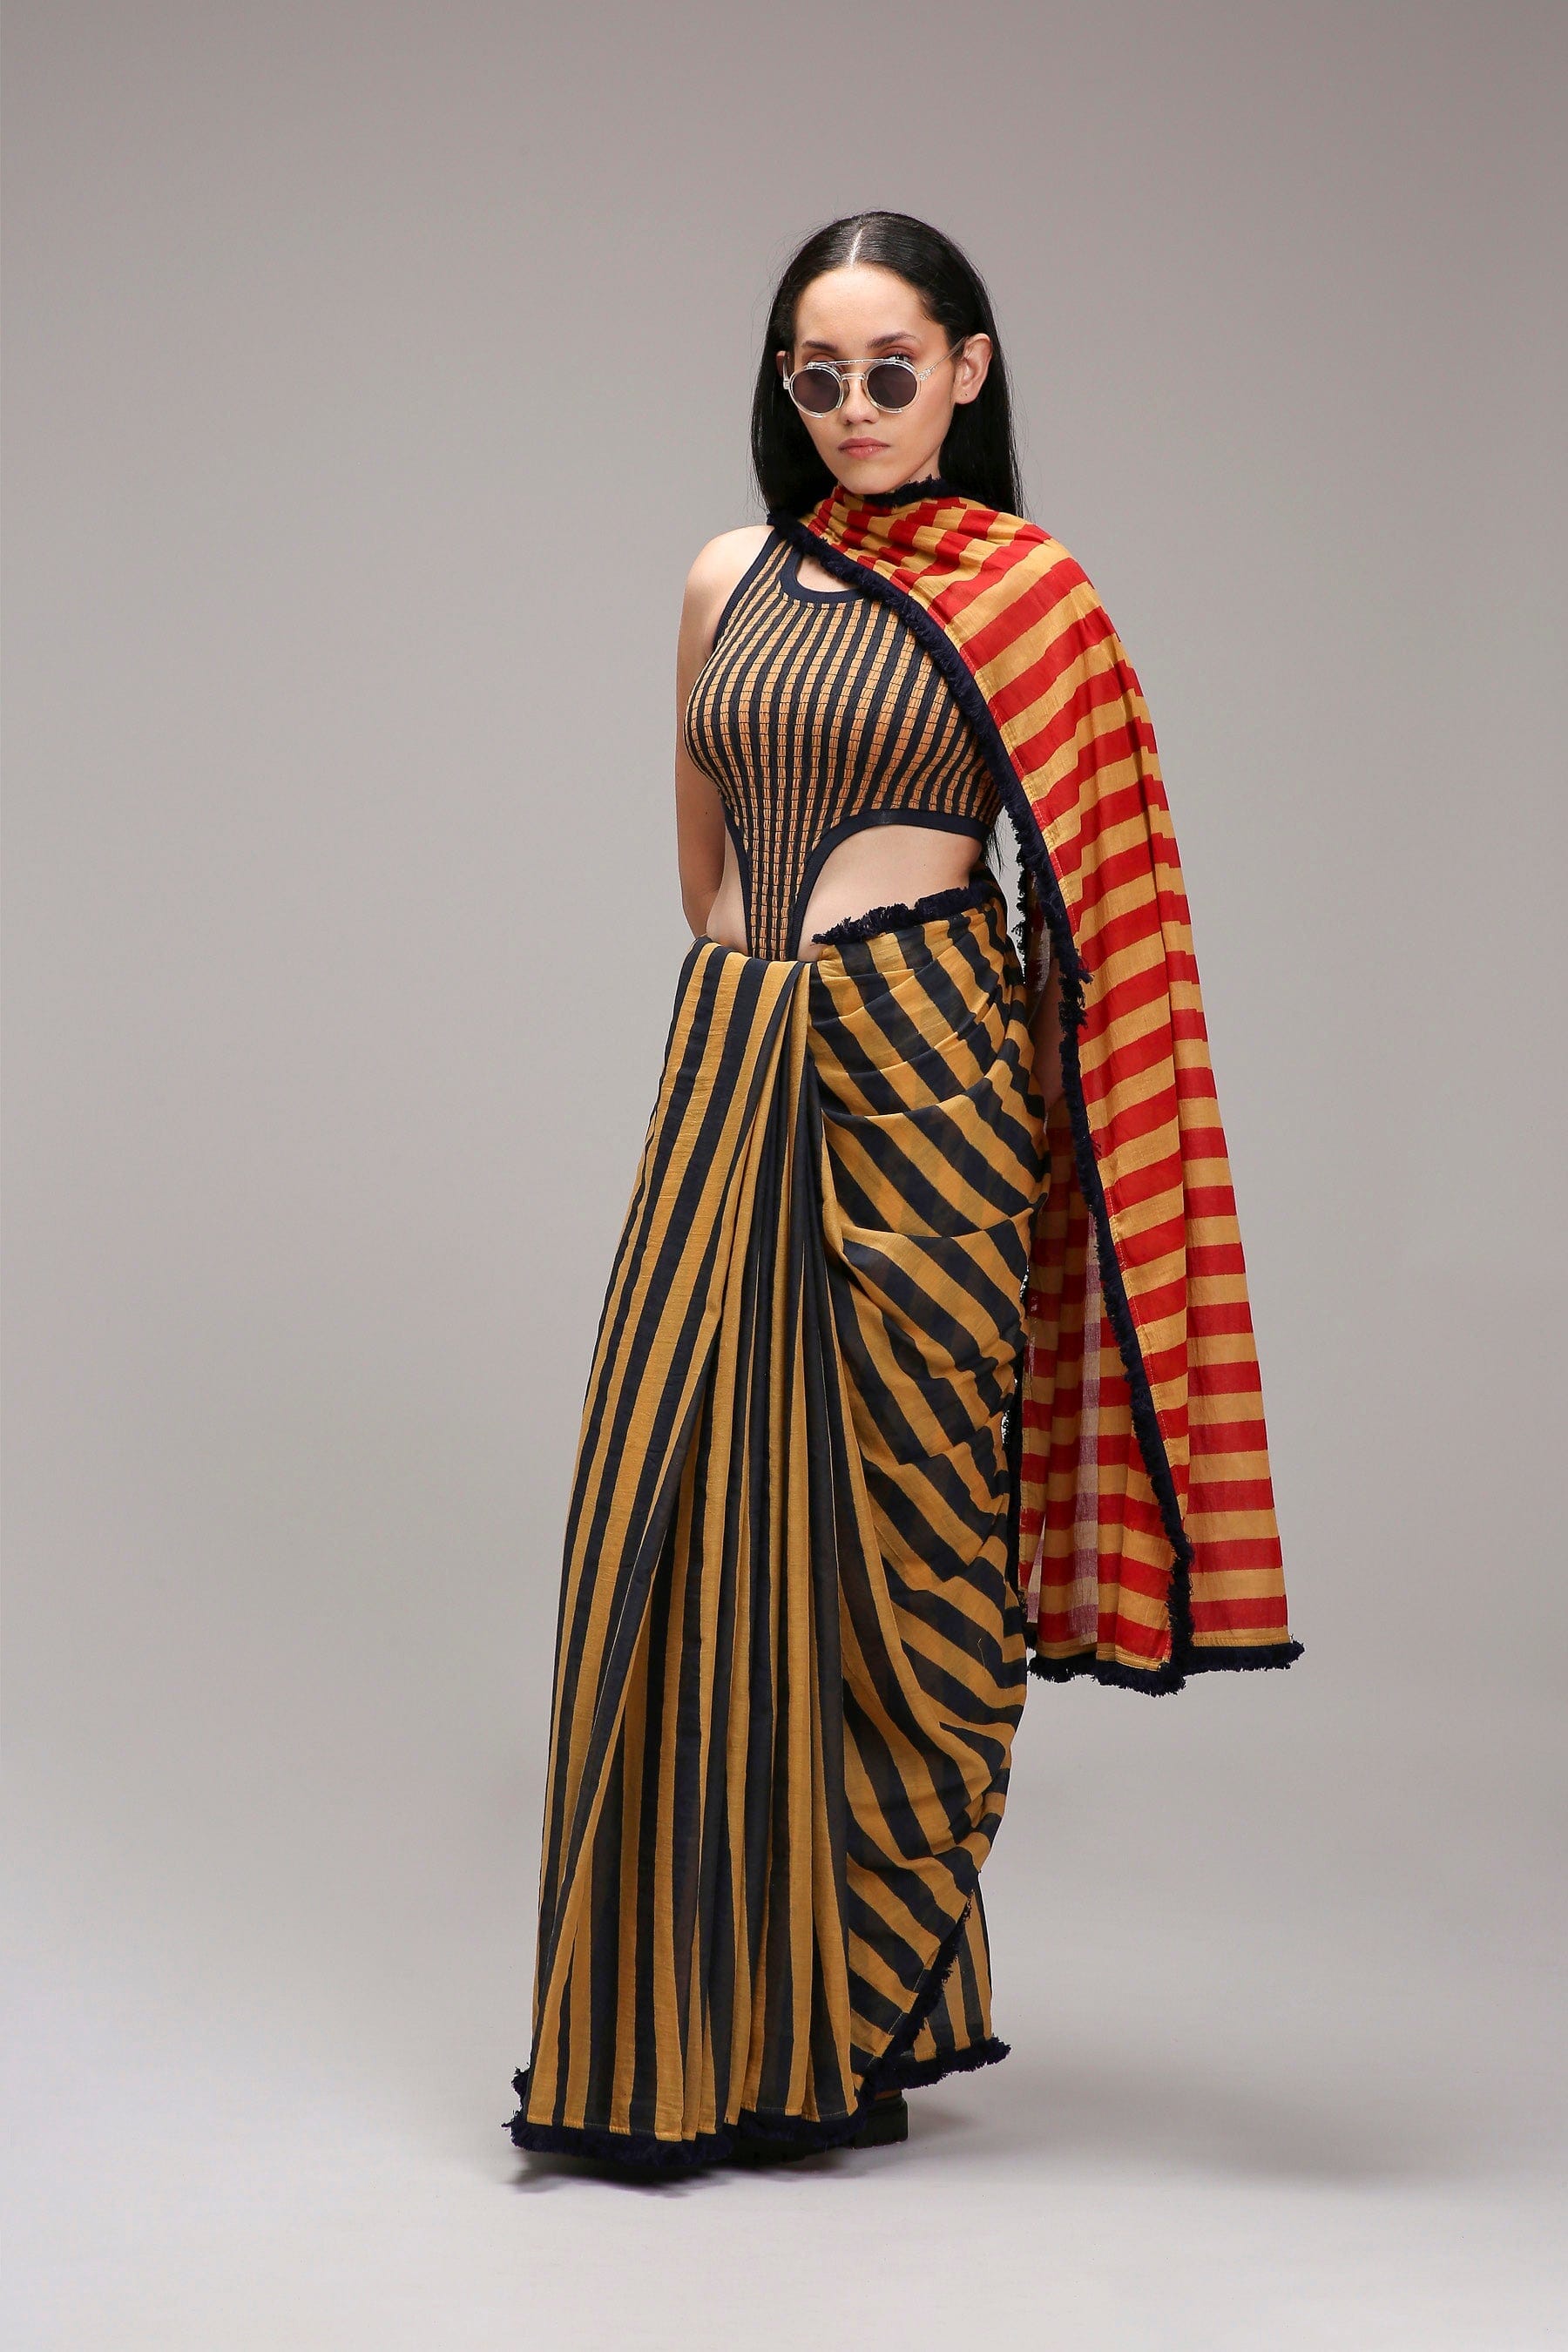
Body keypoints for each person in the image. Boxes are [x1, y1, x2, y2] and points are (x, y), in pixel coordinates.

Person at [508, 210, 1300, 2175]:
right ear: (783, 386)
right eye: (816, 374)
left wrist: (933, 1047)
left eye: (889, 369)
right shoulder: (726, 575)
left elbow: (1111, 914)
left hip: (928, 1088)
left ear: (966, 370)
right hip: (733, 1059)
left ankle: (848, 2019)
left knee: (899, 1539)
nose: (853, 407)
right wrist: (763, 1010)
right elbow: (702, 877)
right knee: (675, 1520)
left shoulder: (1036, 598)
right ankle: (678, 2044)